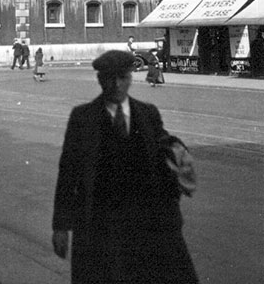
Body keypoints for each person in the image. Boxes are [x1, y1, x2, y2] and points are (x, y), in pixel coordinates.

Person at [52, 50, 198, 284]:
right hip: (100, 225)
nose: (117, 84)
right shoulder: (82, 118)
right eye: (110, 78)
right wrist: (60, 226)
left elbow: (162, 147)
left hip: (144, 224)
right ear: (100, 80)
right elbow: (68, 172)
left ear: (131, 77)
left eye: (123, 77)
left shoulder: (148, 113)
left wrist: (178, 153)